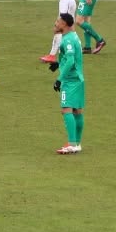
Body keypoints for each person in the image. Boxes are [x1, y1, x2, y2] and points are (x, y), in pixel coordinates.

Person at [47, 14, 85, 154]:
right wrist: (58, 63)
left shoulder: (67, 40)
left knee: (66, 110)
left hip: (70, 80)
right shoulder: (74, 36)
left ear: (64, 24)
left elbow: (70, 61)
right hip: (78, 78)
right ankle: (77, 143)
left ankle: (71, 143)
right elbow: (71, 57)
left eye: (58, 21)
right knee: (77, 111)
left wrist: (59, 79)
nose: (55, 23)